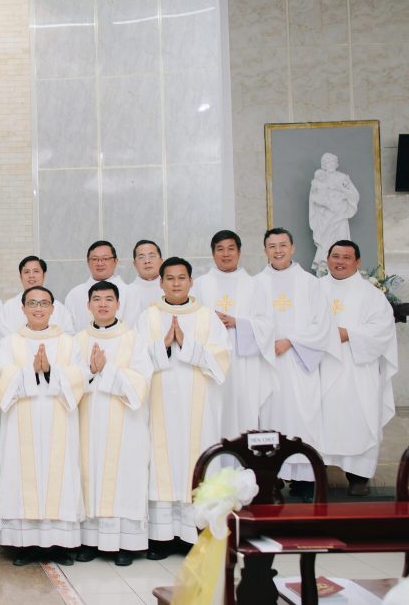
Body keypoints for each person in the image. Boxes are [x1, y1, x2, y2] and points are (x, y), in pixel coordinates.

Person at [136, 257, 229, 558]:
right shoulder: (148, 317)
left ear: (191, 281)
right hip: (159, 405)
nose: (176, 283)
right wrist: (164, 345)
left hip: (197, 409)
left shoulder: (207, 317)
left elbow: (221, 360)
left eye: (181, 278)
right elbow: (135, 361)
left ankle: (193, 534)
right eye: (170, 278)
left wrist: (186, 344)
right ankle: (161, 537)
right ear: (160, 282)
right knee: (160, 465)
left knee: (195, 464)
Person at [0, 285, 84, 566]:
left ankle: (59, 543)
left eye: (44, 303)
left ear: (53, 309)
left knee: (60, 476)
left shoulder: (68, 343)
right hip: (21, 423)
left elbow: (78, 378)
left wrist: (50, 372)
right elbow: (1, 379)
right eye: (32, 303)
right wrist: (31, 372)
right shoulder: (9, 343)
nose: (38, 308)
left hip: (59, 421)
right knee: (23, 475)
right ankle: (26, 544)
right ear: (22, 308)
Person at [255, 228, 341, 501]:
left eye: (283, 245)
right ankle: (273, 478)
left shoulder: (310, 284)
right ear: (265, 250)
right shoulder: (256, 284)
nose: (278, 250)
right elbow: (249, 322)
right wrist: (266, 343)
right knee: (270, 419)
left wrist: (291, 341)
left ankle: (304, 481)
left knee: (304, 418)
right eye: (272, 246)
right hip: (268, 363)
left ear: (292, 248)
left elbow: (323, 325)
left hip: (300, 363)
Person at [75, 281, 153, 567]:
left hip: (125, 425)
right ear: (88, 305)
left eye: (109, 299)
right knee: (90, 474)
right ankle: (90, 541)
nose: (103, 304)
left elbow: (142, 381)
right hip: (89, 422)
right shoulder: (78, 340)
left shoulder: (133, 339)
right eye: (97, 299)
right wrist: (89, 370)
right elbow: (69, 380)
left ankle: (125, 543)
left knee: (125, 477)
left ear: (118, 304)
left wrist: (106, 371)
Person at [318, 241, 397, 496]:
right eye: (335, 256)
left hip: (357, 370)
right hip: (318, 368)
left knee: (358, 419)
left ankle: (358, 477)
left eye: (346, 257)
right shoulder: (314, 289)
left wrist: (348, 334)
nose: (340, 261)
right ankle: (314, 475)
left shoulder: (371, 295)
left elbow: (382, 331)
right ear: (327, 259)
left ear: (358, 262)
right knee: (318, 421)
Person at [191, 230, 275, 438]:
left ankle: (244, 457)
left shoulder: (254, 285)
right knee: (213, 412)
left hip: (244, 362)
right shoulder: (200, 285)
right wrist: (209, 323)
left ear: (239, 252)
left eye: (231, 249)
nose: (226, 254)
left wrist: (237, 323)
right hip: (211, 360)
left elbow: (267, 325)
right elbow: (190, 320)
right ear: (213, 253)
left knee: (243, 411)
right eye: (220, 249)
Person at [64, 241, 130, 333]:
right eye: (95, 259)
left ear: (115, 261)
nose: (100, 263)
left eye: (105, 258)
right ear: (88, 262)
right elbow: (68, 332)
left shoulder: (130, 293)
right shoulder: (74, 294)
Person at [309, 153, 359, 274]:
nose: (330, 164)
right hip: (326, 217)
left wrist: (342, 191)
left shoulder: (343, 178)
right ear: (323, 165)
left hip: (340, 215)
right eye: (327, 162)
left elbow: (354, 194)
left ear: (336, 164)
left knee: (342, 240)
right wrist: (326, 203)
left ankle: (344, 267)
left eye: (332, 162)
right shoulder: (320, 178)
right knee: (325, 242)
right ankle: (323, 267)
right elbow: (314, 197)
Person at [0, 256, 70, 339]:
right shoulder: (9, 308)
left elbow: (68, 337)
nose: (31, 275)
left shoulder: (59, 308)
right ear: (20, 277)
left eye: (36, 271)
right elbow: (4, 339)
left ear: (44, 275)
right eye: (26, 272)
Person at [124, 240, 163, 325]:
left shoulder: (174, 289)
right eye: (141, 257)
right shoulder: (125, 292)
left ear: (161, 260)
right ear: (134, 264)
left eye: (152, 256)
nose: (147, 261)